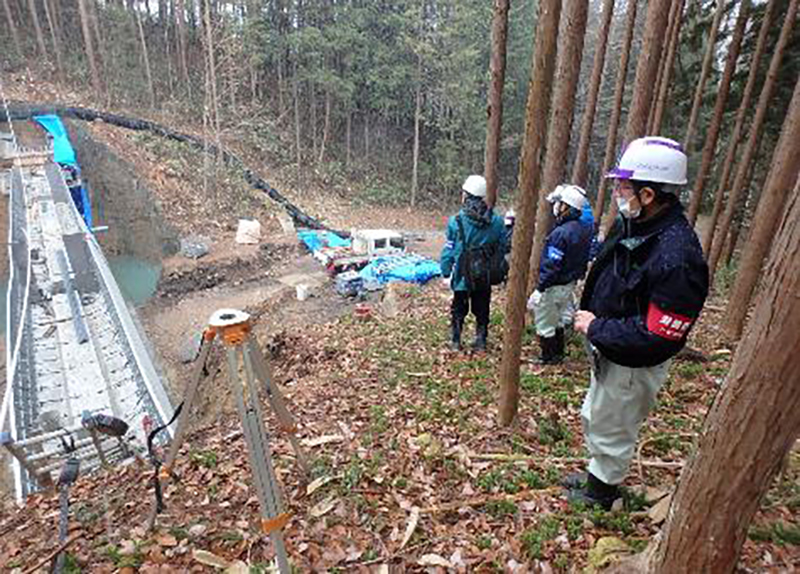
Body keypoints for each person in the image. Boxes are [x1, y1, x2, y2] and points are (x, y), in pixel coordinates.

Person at [566, 136, 709, 509]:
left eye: (623, 187)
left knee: (614, 423)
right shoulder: (637, 225)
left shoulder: (677, 255)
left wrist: (597, 327)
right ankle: (599, 474)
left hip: (632, 359)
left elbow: (658, 337)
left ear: (648, 194)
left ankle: (602, 493)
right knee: (598, 414)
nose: (616, 192)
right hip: (613, 347)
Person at [527, 185, 593, 364]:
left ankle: (548, 357)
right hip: (568, 284)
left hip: (553, 285)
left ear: (567, 207)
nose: (556, 207)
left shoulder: (561, 233)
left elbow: (552, 265)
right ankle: (558, 354)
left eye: (560, 203)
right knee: (557, 320)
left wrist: (540, 288)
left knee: (545, 321)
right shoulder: (584, 229)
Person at [440, 175, 507, 351]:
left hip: (463, 274)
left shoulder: (456, 221)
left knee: (458, 308)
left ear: (466, 195)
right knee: (482, 307)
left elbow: (449, 250)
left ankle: (455, 341)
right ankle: (481, 341)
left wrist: (446, 271)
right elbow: (502, 247)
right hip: (484, 274)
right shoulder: (497, 221)